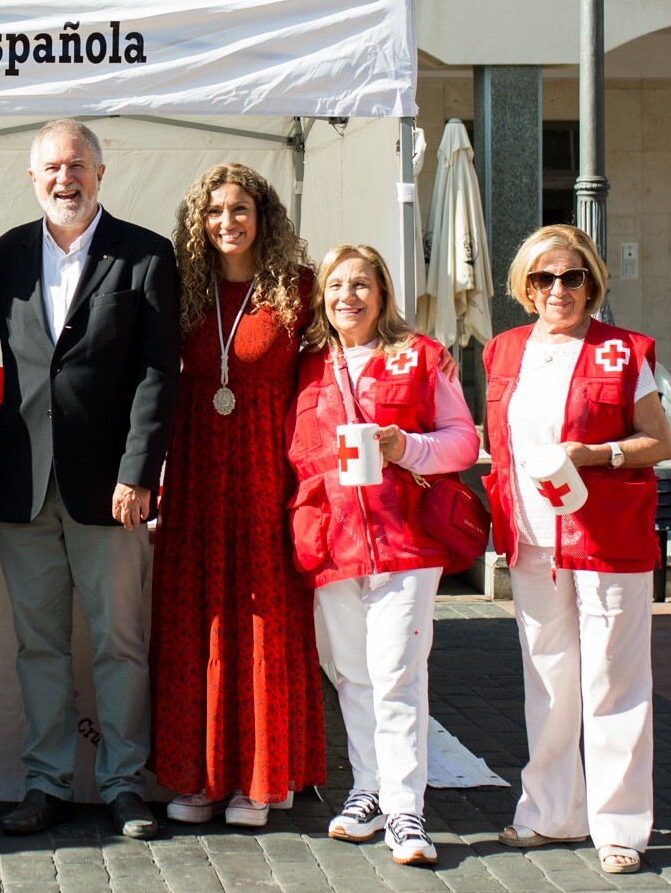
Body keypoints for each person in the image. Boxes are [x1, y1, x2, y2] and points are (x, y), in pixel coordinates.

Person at [0, 119, 179, 839]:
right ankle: (47, 782)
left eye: (79, 165)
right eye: (53, 167)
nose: (67, 178)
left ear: (101, 173)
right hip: (25, 485)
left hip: (111, 491)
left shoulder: (146, 256)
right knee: (40, 646)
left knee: (119, 642)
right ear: (33, 178)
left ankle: (125, 782)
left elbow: (158, 377)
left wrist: (140, 472)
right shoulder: (4, 256)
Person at [482, 225, 670, 875]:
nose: (558, 289)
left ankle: (619, 828)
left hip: (609, 539)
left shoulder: (623, 352)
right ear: (525, 288)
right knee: (549, 684)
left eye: (571, 277)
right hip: (533, 543)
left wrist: (595, 454)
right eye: (543, 278)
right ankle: (551, 813)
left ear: (592, 281)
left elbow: (659, 439)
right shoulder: (504, 351)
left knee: (614, 684)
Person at [286, 244, 479, 866]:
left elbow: (464, 442)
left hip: (405, 542)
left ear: (383, 293)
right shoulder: (307, 363)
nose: (349, 296)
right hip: (332, 540)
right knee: (352, 674)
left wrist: (409, 447)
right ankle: (366, 790)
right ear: (322, 296)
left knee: (398, 672)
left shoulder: (421, 357)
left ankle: (405, 808)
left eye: (362, 284)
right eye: (337, 285)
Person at [149, 163, 326, 827]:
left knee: (263, 622)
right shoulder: (181, 289)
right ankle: (198, 777)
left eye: (240, 208)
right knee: (199, 621)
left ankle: (262, 777)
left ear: (265, 216)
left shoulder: (299, 293)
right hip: (195, 478)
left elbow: (337, 373)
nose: (227, 221)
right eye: (215, 210)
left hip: (265, 477)